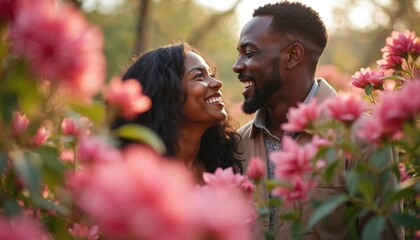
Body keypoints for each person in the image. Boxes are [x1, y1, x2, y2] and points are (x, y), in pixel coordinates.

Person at [233, 1, 403, 239]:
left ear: (292, 56)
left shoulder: (364, 138)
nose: (237, 66)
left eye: (249, 53)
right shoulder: (237, 144)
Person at [112, 42, 242, 182]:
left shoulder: (224, 167)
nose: (217, 83)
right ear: (167, 94)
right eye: (199, 76)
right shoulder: (133, 174)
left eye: (211, 74)